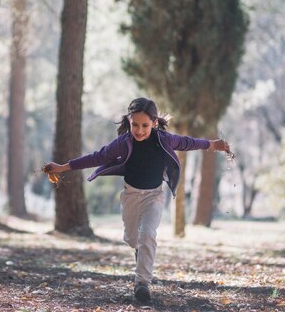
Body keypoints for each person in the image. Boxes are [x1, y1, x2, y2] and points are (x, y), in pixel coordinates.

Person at [44, 97, 230, 303]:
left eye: (145, 125)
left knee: (148, 235)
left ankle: (142, 284)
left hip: (154, 196)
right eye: (135, 125)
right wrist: (62, 167)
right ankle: (139, 253)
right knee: (133, 239)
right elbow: (96, 157)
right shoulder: (123, 143)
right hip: (131, 195)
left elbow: (188, 142)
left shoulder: (164, 139)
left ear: (154, 123)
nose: (139, 130)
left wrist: (213, 144)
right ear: (129, 121)